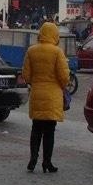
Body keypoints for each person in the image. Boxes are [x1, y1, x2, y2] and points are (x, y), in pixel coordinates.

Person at [21, 22, 70, 174]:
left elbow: (26, 75)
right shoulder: (57, 52)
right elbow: (64, 77)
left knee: (36, 129)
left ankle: (33, 158)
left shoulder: (31, 51)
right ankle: (47, 162)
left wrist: (35, 82)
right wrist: (62, 85)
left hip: (37, 94)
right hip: (52, 96)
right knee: (49, 132)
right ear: (55, 35)